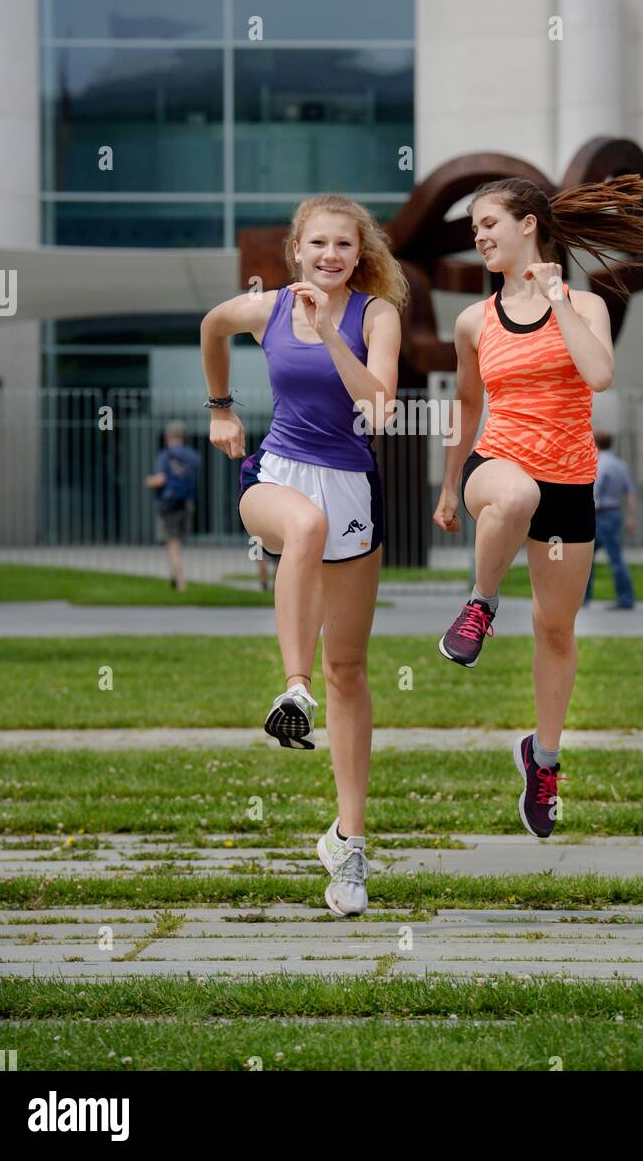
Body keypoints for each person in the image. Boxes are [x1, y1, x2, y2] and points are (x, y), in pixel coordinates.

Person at [433, 176, 643, 838]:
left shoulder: (584, 306)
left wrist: (559, 298)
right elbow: (467, 405)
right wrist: (451, 485)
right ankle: (480, 604)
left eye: (488, 223)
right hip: (499, 466)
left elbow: (598, 376)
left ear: (529, 225)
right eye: (475, 227)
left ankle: (544, 758)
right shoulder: (474, 321)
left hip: (570, 483)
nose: (479, 236)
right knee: (514, 495)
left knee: (558, 630)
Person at [201, 195, 405, 915]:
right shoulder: (267, 308)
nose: (329, 255)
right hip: (276, 477)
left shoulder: (376, 315)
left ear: (359, 254)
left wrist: (330, 335)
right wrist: (221, 408)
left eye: (343, 246)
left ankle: (348, 848)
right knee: (305, 527)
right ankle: (293, 687)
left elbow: (378, 408)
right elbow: (212, 326)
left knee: (349, 668)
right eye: (317, 243)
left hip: (353, 488)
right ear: (296, 249)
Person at [584, 432, 637, 610]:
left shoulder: (599, 464)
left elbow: (594, 492)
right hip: (615, 513)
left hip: (601, 515)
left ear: (595, 444)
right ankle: (587, 597)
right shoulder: (619, 464)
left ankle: (624, 599)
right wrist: (631, 517)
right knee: (604, 557)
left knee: (592, 557)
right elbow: (629, 492)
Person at [145, 420, 200, 592]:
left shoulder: (165, 455)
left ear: (168, 436)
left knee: (172, 544)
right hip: (187, 503)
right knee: (178, 542)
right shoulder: (194, 456)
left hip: (169, 504)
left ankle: (180, 582)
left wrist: (149, 481)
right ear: (183, 436)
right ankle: (175, 579)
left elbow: (160, 479)